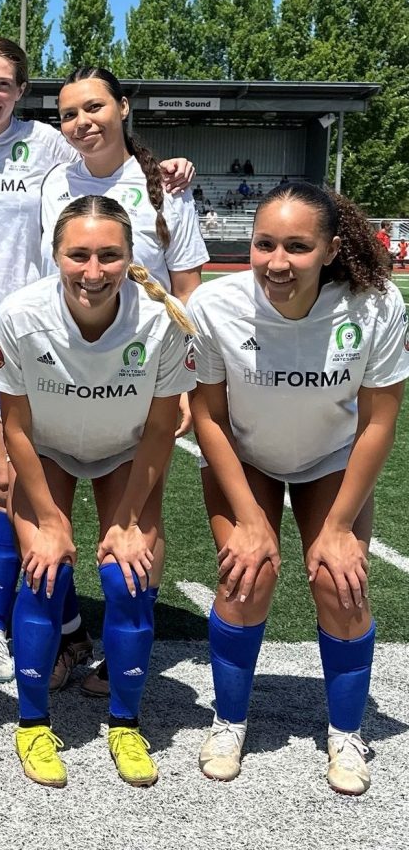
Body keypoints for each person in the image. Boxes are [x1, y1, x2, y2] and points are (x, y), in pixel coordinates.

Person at [0, 40, 193, 685]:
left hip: (70, 349)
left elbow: (119, 166)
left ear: (20, 91)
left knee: (18, 486)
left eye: (3, 83)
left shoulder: (52, 147)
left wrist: (170, 168)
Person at [188, 181, 409, 796]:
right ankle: (228, 721)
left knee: (341, 584)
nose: (277, 263)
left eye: (297, 247)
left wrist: (339, 528)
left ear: (333, 249)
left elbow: (379, 421)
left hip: (331, 457)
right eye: (264, 244)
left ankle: (346, 733)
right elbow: (206, 414)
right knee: (246, 573)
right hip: (246, 455)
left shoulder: (374, 306)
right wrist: (250, 520)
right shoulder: (215, 305)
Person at [0, 194, 194, 788]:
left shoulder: (162, 319)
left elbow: (160, 429)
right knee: (45, 571)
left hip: (124, 452)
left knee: (126, 578)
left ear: (131, 258)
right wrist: (50, 520)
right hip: (46, 449)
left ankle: (124, 723)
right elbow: (17, 426)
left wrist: (129, 521)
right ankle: (31, 724)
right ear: (55, 255)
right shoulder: (21, 315)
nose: (93, 271)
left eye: (109, 255)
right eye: (78, 255)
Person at [41, 65, 207, 693]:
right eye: (69, 113)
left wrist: (188, 380)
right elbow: (47, 270)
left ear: (124, 106)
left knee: (137, 517)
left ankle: (121, 648)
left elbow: (188, 288)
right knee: (46, 509)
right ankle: (62, 641)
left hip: (145, 370)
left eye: (94, 107)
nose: (82, 122)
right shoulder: (54, 181)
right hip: (65, 366)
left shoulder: (162, 184)